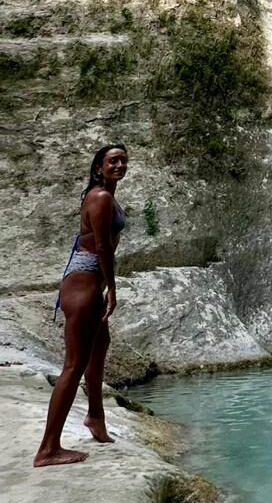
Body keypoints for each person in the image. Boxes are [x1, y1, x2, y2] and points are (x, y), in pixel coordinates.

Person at [33, 144, 128, 467]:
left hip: (90, 281)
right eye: (112, 160)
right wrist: (112, 289)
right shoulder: (100, 197)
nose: (119, 164)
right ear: (99, 167)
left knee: (100, 345)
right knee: (74, 366)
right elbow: (102, 246)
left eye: (123, 160)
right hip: (85, 284)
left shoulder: (105, 195)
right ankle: (48, 449)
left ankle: (95, 416)